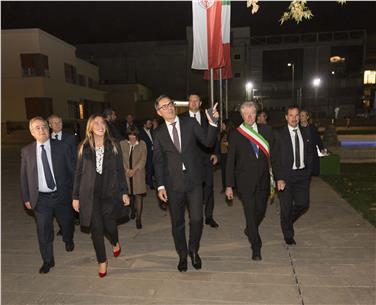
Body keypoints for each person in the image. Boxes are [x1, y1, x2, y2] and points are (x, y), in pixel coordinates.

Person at [153, 95, 219, 272]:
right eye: (164, 107)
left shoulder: (189, 123)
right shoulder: (158, 133)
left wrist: (213, 123)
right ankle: (182, 255)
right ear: (158, 112)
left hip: (194, 180)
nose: (169, 108)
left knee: (197, 219)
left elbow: (207, 141)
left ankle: (194, 250)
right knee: (177, 223)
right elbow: (158, 162)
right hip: (173, 185)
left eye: (171, 104)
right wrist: (160, 186)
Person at [72, 114, 130, 278]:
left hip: (110, 193)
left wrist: (124, 192)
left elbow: (120, 171)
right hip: (89, 195)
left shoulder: (114, 145)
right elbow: (78, 173)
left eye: (102, 122)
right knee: (96, 229)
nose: (100, 125)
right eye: (96, 123)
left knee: (110, 226)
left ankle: (114, 241)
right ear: (90, 127)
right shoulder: (83, 147)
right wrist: (75, 196)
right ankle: (102, 261)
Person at [20, 117, 75, 274]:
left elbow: (72, 171)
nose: (42, 130)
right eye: (37, 128)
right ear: (32, 132)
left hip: (61, 195)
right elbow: (23, 177)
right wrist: (26, 198)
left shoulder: (61, 147)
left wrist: (75, 193)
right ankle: (48, 260)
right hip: (41, 199)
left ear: (49, 128)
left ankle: (68, 238)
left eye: (44, 126)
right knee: (43, 231)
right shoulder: (27, 151)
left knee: (67, 223)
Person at [225, 102, 274, 261]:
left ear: (256, 113)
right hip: (245, 182)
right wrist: (229, 185)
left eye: (252, 113)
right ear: (242, 115)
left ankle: (250, 229)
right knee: (250, 214)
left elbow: (275, 155)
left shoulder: (266, 130)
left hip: (263, 180)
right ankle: (256, 246)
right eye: (246, 114)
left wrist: (278, 176)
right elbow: (230, 161)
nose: (249, 116)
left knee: (260, 211)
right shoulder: (236, 134)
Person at [272, 105, 313, 246]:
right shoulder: (278, 134)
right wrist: (279, 178)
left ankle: (286, 221)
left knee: (303, 204)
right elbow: (275, 159)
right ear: (286, 117)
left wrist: (308, 172)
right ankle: (288, 234)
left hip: (302, 176)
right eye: (291, 115)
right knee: (286, 207)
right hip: (285, 176)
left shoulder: (305, 132)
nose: (294, 118)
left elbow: (309, 153)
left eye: (297, 115)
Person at [180, 93, 220, 228]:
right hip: (189, 162)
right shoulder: (181, 119)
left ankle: (209, 217)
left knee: (208, 188)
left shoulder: (206, 117)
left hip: (206, 158)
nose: (193, 103)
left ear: (200, 103)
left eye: (196, 100)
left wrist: (215, 153)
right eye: (190, 101)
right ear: (188, 103)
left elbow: (215, 136)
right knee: (191, 189)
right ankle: (195, 217)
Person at [48, 114, 80, 232]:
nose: (58, 125)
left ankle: (71, 221)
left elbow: (75, 157)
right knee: (58, 205)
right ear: (50, 125)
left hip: (69, 177)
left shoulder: (70, 138)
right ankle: (63, 226)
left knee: (69, 202)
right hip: (54, 179)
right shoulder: (46, 139)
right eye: (55, 123)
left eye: (60, 122)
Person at [120, 127, 147, 229]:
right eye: (130, 135)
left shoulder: (142, 144)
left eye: (134, 135)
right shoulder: (123, 144)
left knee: (138, 196)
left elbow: (143, 159)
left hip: (138, 174)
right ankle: (132, 210)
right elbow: (120, 159)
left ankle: (138, 219)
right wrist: (127, 170)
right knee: (129, 194)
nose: (132, 137)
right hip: (126, 174)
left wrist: (134, 170)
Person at [299, 110, 326, 176]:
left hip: (311, 152)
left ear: (307, 117)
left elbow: (317, 139)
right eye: (300, 116)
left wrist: (321, 148)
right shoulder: (297, 128)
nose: (301, 117)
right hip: (301, 153)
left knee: (312, 169)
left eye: (303, 115)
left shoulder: (312, 127)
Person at [139, 119, 154, 189]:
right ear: (144, 124)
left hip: (153, 151)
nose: (150, 125)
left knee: (151, 167)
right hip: (146, 152)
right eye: (148, 124)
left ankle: (149, 180)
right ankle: (150, 183)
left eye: (150, 123)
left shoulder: (152, 131)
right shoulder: (141, 133)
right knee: (149, 167)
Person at [219, 119, 234, 193]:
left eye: (223, 124)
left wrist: (229, 144)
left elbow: (234, 145)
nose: (222, 126)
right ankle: (225, 187)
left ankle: (231, 188)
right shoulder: (223, 133)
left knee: (229, 172)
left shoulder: (232, 133)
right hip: (223, 155)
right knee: (224, 172)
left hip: (228, 155)